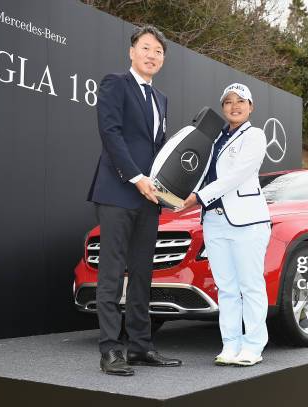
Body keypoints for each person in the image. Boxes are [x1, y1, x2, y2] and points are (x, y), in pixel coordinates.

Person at [87, 25, 181, 376]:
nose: (152, 55)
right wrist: (136, 178)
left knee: (142, 273)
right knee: (112, 274)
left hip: (149, 200)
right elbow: (110, 133)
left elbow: (160, 151)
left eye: (158, 51)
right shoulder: (115, 84)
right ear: (132, 52)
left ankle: (140, 346)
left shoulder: (162, 99)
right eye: (145, 48)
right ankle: (111, 350)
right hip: (117, 192)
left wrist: (170, 188)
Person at [181, 83, 271, 366]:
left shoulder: (254, 135)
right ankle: (230, 344)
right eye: (228, 102)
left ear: (251, 107)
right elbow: (200, 172)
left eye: (241, 101)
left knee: (250, 285)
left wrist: (197, 197)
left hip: (246, 222)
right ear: (222, 108)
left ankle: (253, 346)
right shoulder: (213, 139)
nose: (235, 106)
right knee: (227, 288)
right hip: (214, 221)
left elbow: (236, 175)